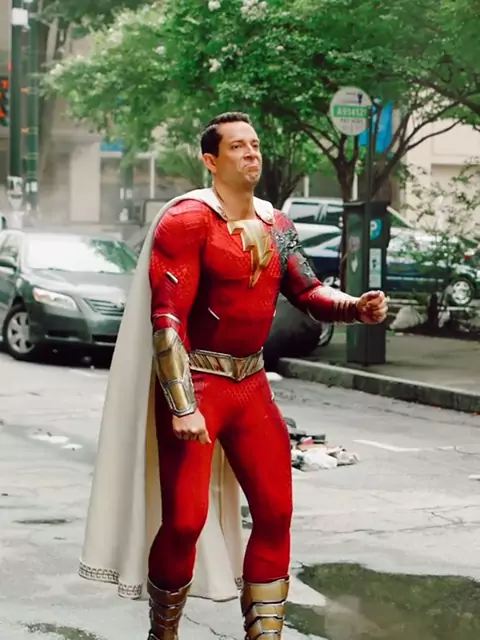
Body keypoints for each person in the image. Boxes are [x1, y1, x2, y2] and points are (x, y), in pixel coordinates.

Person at [78, 112, 387, 640]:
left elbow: (307, 290)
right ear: (210, 160)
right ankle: (163, 632)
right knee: (184, 521)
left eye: (255, 144)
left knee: (276, 512)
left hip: (251, 384)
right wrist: (182, 406)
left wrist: (354, 306)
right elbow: (167, 320)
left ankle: (264, 634)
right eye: (238, 146)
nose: (251, 154)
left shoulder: (277, 224)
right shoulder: (188, 220)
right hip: (197, 381)